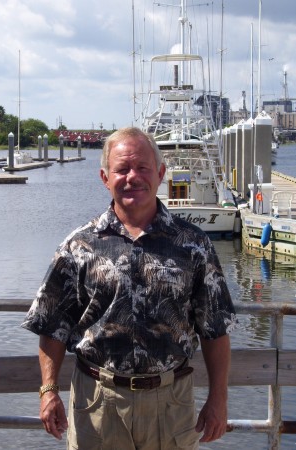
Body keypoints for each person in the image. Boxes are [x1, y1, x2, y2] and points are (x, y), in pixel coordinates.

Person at [22, 126, 238, 449]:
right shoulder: (78, 245)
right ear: (105, 177)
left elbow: (215, 329)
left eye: (142, 168)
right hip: (97, 404)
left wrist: (218, 400)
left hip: (171, 405)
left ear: (161, 173)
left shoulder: (195, 245)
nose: (132, 177)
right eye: (121, 169)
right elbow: (51, 325)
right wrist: (48, 390)